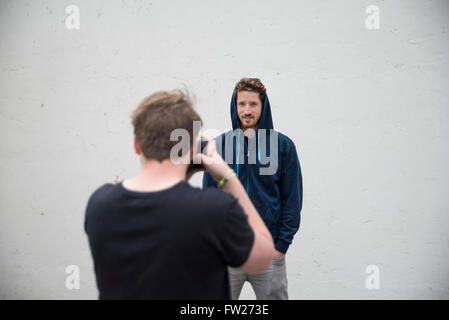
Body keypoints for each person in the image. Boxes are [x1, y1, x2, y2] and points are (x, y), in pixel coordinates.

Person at [84, 90, 274, 299]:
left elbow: (163, 208)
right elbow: (263, 257)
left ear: (137, 145)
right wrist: (226, 175)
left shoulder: (100, 204)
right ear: (192, 150)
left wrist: (183, 174)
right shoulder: (213, 210)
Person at [203, 78, 303, 300]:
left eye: (253, 104)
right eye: (242, 104)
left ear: (263, 106)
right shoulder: (219, 146)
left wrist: (281, 246)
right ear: (234, 106)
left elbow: (292, 200)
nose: (247, 111)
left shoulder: (283, 147)